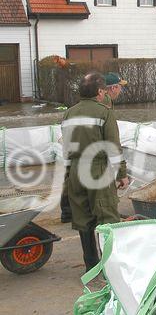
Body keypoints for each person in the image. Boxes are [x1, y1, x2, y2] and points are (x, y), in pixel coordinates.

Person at [62, 71, 128, 272]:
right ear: (100, 91)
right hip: (97, 170)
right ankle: (111, 267)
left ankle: (91, 266)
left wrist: (68, 174)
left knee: (83, 219)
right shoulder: (104, 112)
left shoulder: (69, 113)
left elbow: (66, 147)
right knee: (106, 216)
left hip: (75, 170)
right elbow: (113, 147)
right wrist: (121, 173)